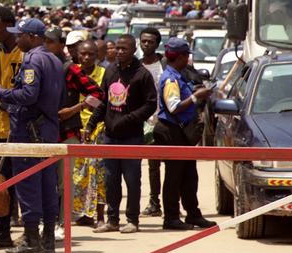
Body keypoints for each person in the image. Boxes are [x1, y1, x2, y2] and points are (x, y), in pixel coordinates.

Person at [0, 18, 67, 253]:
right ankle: (47, 240)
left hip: (29, 133)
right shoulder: (55, 61)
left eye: (21, 35)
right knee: (47, 185)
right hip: (46, 132)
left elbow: (28, 94)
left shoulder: (32, 59)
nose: (17, 40)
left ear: (33, 37)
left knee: (28, 186)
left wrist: (1, 92)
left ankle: (31, 240)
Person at [87, 35, 158, 234]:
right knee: (110, 180)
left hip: (131, 136)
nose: (119, 52)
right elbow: (103, 101)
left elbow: (151, 104)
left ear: (133, 50)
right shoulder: (110, 71)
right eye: (117, 48)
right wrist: (92, 124)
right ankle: (112, 220)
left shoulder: (142, 74)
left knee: (132, 179)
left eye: (123, 49)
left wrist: (130, 118)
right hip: (110, 136)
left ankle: (132, 220)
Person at [153, 38, 217, 230]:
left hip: (182, 131)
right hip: (172, 131)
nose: (188, 59)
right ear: (180, 57)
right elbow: (174, 107)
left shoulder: (179, 75)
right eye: (186, 55)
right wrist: (195, 97)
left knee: (189, 174)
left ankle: (193, 214)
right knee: (174, 176)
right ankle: (171, 217)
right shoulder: (170, 79)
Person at [0, 6, 25, 248]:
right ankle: (3, 231)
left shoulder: (24, 54)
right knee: (1, 182)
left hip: (18, 128)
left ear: (10, 24)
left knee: (20, 182)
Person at [70, 41, 108, 226]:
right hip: (75, 129)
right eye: (83, 54)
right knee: (78, 175)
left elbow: (104, 102)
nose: (86, 58)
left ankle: (100, 216)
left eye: (91, 54)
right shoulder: (70, 72)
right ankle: (81, 214)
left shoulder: (103, 74)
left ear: (97, 55)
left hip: (97, 130)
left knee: (98, 174)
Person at [139, 28, 166, 218]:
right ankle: (151, 202)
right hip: (139, 122)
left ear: (157, 44)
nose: (146, 44)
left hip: (162, 121)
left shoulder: (164, 64)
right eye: (144, 41)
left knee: (157, 164)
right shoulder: (136, 66)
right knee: (141, 165)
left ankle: (157, 202)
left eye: (150, 42)